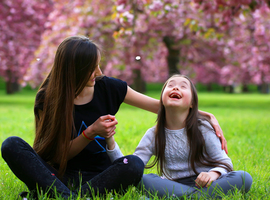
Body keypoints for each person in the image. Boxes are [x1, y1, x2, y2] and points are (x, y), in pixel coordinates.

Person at [1, 36, 226, 199]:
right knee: (11, 144)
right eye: (91, 68)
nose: (98, 72)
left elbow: (163, 107)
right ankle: (69, 195)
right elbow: (57, 156)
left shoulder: (109, 87)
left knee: (134, 164)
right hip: (57, 173)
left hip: (100, 177)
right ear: (74, 70)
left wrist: (206, 115)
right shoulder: (47, 98)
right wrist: (90, 133)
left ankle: (61, 196)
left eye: (98, 65)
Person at [107, 74, 252, 199]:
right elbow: (131, 167)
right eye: (170, 85)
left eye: (183, 86)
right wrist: (110, 141)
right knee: (143, 179)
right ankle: (199, 197)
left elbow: (225, 163)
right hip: (173, 185)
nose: (176, 88)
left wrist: (212, 175)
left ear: (192, 103)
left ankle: (189, 197)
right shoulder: (153, 134)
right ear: (162, 99)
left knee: (244, 177)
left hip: (209, 183)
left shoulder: (203, 128)